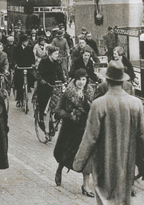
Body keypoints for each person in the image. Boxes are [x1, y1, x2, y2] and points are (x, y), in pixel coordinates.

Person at [73, 60, 144, 205]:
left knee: (104, 199)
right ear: (123, 81)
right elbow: (141, 138)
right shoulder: (136, 103)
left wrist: (78, 162)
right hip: (127, 165)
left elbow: (90, 137)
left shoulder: (99, 104)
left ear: (107, 80)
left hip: (104, 164)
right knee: (123, 200)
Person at [53, 69, 95, 197]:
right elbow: (57, 111)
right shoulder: (68, 94)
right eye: (79, 80)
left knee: (86, 155)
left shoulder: (89, 93)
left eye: (84, 79)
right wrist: (69, 115)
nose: (81, 82)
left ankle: (86, 185)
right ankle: (59, 169)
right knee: (66, 153)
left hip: (84, 128)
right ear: (75, 80)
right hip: (70, 129)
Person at [36, 45, 65, 139]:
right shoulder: (44, 62)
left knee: (56, 106)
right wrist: (42, 80)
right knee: (45, 109)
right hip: (44, 87)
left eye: (58, 53)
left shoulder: (57, 62)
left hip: (54, 87)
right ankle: (46, 130)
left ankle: (53, 121)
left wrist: (64, 81)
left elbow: (60, 74)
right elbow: (38, 73)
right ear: (50, 54)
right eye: (55, 54)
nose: (57, 55)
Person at [13, 34, 35, 107]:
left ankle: (28, 87)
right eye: (25, 41)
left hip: (28, 66)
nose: (27, 42)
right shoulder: (16, 48)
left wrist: (32, 64)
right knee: (19, 82)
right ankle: (19, 100)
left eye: (27, 41)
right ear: (22, 42)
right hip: (19, 67)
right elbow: (14, 57)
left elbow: (32, 57)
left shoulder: (29, 48)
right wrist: (15, 64)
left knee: (31, 77)